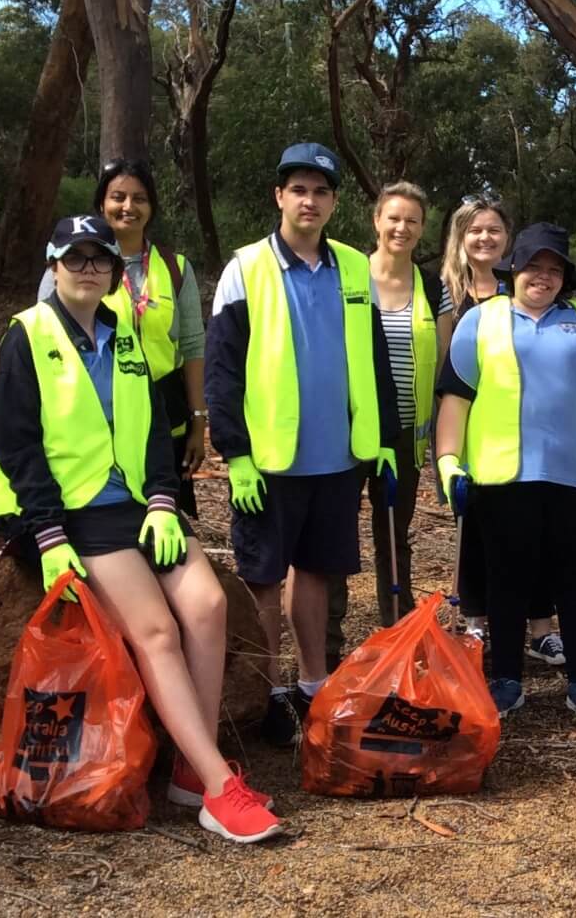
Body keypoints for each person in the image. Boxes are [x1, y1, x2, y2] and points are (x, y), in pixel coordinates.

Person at [0, 215, 283, 843]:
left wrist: (161, 500)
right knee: (156, 630)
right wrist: (48, 533)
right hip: (76, 512)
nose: (89, 268)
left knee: (205, 605)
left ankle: (190, 772)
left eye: (99, 259)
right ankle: (218, 786)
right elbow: (17, 443)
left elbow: (154, 428)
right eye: (75, 258)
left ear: (114, 273)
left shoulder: (121, 335)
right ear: (53, 265)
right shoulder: (27, 335)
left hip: (136, 506)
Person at [205, 143, 393, 747]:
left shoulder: (354, 268)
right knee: (263, 578)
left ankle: (315, 688)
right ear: (279, 196)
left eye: (320, 191)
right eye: (298, 189)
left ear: (334, 202)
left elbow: (375, 356)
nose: (309, 201)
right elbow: (221, 369)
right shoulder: (246, 268)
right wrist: (234, 453)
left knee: (316, 575)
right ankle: (261, 695)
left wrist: (383, 439)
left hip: (338, 457)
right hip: (268, 461)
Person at [434, 223, 576, 722]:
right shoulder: (480, 321)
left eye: (554, 270)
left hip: (571, 474)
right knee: (507, 580)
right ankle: (506, 680)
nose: (543, 277)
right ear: (514, 270)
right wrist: (447, 461)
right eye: (534, 267)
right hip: (502, 477)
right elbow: (456, 397)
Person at [437, 195, 564, 667]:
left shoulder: (527, 285)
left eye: (494, 229)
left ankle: (540, 625)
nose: (484, 238)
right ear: (461, 237)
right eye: (475, 230)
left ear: (509, 240)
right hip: (471, 426)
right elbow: (450, 364)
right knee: (475, 524)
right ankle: (476, 621)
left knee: (537, 531)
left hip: (532, 432)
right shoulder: (449, 290)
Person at [37, 160, 207, 508]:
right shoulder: (67, 266)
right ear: (102, 204)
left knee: (162, 520)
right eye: (118, 197)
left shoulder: (176, 268)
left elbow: (192, 347)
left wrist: (197, 422)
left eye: (140, 198)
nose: (128, 207)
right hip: (94, 420)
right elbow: (44, 341)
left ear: (152, 207)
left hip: (163, 423)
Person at [362, 182, 452, 625]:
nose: (402, 227)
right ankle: (328, 643)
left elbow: (444, 365)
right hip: (351, 426)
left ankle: (394, 627)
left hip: (404, 435)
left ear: (422, 229)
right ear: (376, 220)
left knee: (394, 535)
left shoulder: (435, 290)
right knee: (332, 534)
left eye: (412, 220)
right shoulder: (346, 276)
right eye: (393, 217)